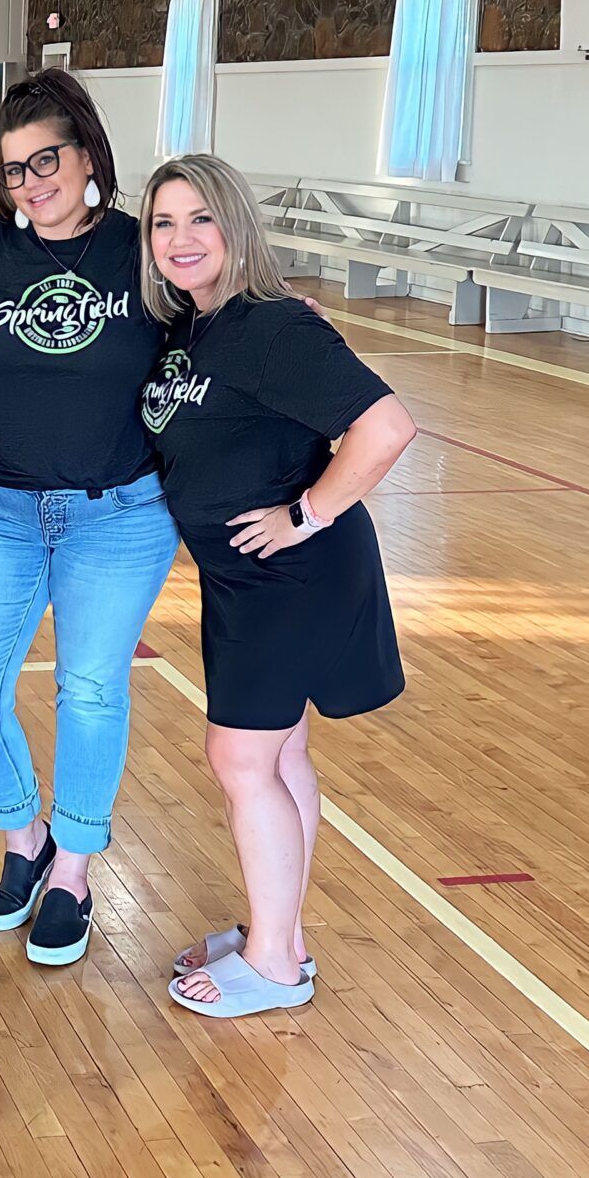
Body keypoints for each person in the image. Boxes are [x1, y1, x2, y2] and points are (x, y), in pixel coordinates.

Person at [141, 154, 415, 1019]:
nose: (180, 240)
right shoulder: (203, 324)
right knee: (281, 751)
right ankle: (280, 933)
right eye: (161, 224)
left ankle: (272, 964)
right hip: (242, 580)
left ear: (236, 226)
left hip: (291, 575)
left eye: (199, 220)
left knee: (241, 756)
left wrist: (307, 513)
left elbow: (386, 426)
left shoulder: (271, 327)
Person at [0, 69, 179, 968]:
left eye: (47, 161)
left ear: (87, 156)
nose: (32, 183)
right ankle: (23, 833)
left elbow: (220, 329)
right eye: (12, 171)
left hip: (118, 515)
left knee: (90, 688)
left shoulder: (141, 252)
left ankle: (72, 868)